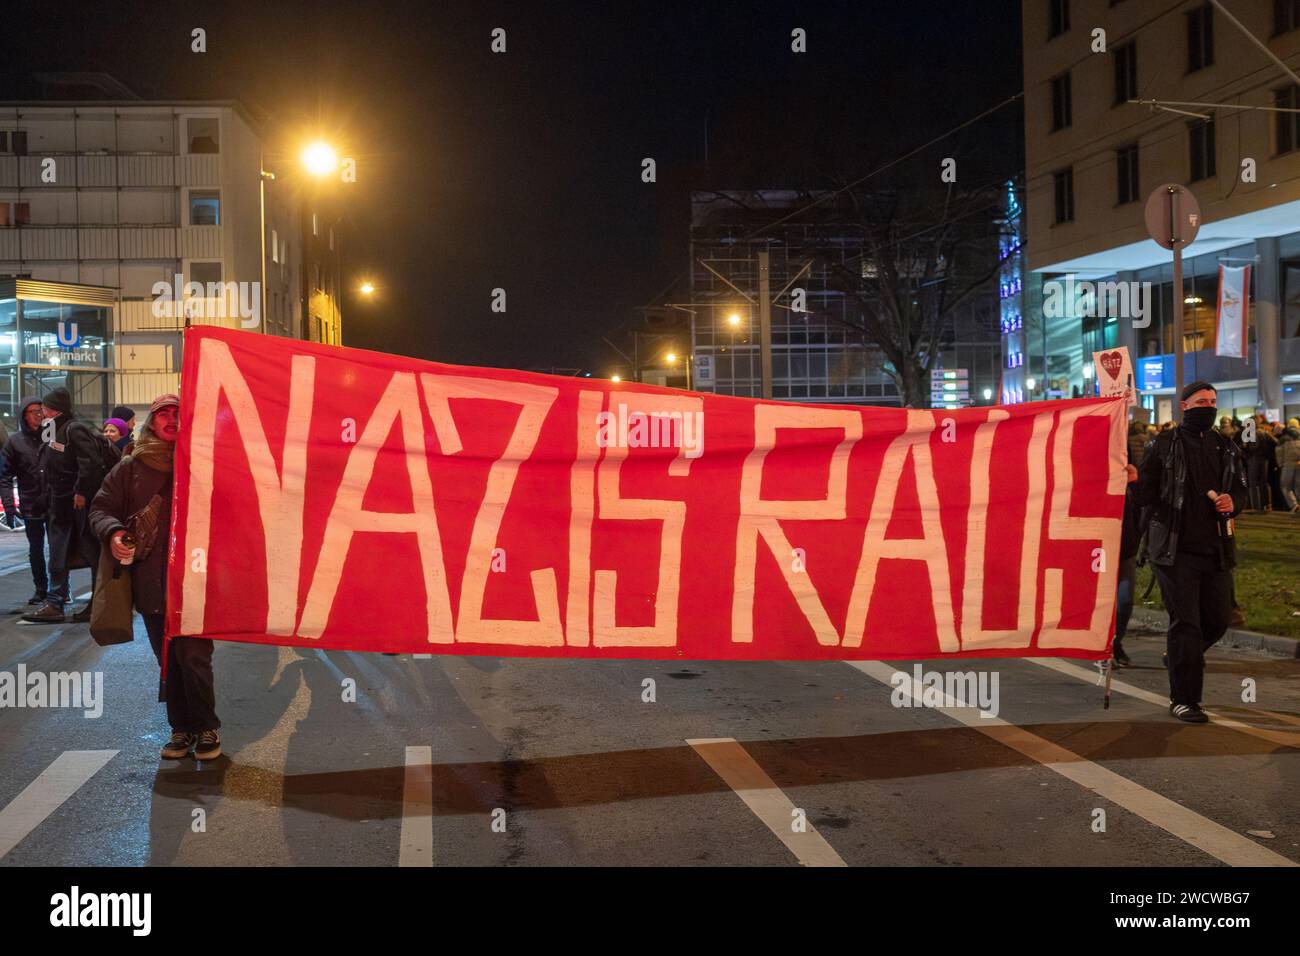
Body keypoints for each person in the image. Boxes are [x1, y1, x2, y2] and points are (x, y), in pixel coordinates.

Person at [90, 394, 221, 761]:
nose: (171, 419)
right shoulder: (130, 467)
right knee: (168, 659)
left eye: (178, 413)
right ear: (151, 422)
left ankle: (206, 726)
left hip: (195, 579)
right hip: (151, 579)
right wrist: (115, 532)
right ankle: (180, 728)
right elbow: (100, 508)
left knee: (194, 656)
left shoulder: (202, 463)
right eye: (164, 413)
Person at [1135, 381, 1247, 723]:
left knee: (1217, 620)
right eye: (1201, 402)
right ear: (1184, 406)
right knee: (1187, 624)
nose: (1208, 407)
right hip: (1174, 549)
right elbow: (1144, 494)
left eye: (1213, 401)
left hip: (1216, 549)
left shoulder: (1226, 447)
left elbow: (1240, 489)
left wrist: (1233, 502)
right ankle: (1185, 700)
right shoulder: (1163, 444)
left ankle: (1181, 656)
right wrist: (1131, 480)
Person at [22, 389, 120, 624]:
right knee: (61, 552)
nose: (42, 413)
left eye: (45, 408)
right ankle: (56, 602)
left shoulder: (73, 429)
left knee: (90, 552)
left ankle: (89, 603)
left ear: (54, 409)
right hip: (61, 503)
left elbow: (91, 462)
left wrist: (81, 492)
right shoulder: (55, 430)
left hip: (76, 504)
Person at [0, 397, 52, 606]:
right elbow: (5, 476)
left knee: (58, 547)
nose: (38, 415)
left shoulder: (53, 437)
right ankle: (41, 588)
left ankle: (60, 589)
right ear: (24, 415)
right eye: (33, 412)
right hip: (31, 503)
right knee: (36, 548)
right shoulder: (15, 442)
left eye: (40, 411)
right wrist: (9, 507)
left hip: (54, 502)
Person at [1241, 413, 1277, 513]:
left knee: (1253, 483)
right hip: (1264, 460)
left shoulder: (1250, 432)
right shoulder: (1264, 432)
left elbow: (1250, 447)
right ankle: (1265, 504)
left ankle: (1256, 506)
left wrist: (1245, 453)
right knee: (1263, 483)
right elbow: (1275, 442)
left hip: (1253, 460)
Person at [1277, 420, 1300, 512]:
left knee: (1286, 487)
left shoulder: (1283, 438)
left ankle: (1294, 505)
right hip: (1299, 464)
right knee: (1298, 486)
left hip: (1287, 466)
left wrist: (1280, 464)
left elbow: (1279, 453)